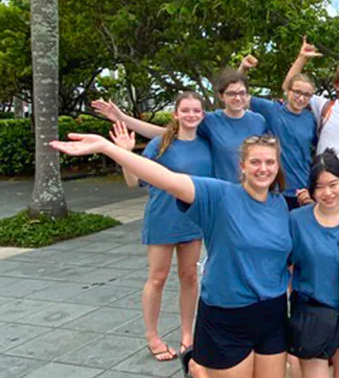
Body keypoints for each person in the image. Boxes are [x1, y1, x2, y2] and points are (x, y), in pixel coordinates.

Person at [51, 133, 293, 378]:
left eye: (270, 162)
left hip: (272, 313)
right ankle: (199, 368)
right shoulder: (218, 196)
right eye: (255, 162)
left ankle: (198, 367)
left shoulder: (279, 205)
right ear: (242, 166)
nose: (263, 168)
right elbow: (165, 178)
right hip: (228, 314)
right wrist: (107, 148)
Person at [110, 92, 210, 364]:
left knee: (190, 277)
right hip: (162, 218)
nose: (191, 115)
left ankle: (188, 334)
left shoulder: (206, 144)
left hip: (193, 220)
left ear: (202, 115)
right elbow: (134, 181)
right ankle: (152, 336)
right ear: (175, 114)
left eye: (196, 111)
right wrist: (124, 153)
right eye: (185, 110)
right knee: (158, 277)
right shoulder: (160, 144)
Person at [242, 39, 339, 204]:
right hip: (322, 180)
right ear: (337, 85)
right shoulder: (323, 105)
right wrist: (302, 58)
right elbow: (290, 87)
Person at [92, 70, 267, 182]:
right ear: (222, 96)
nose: (237, 98)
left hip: (253, 189)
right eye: (231, 93)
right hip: (223, 191)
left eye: (242, 93)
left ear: (247, 95)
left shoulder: (259, 121)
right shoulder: (210, 121)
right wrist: (122, 118)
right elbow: (167, 133)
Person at [288, 149, 339, 378]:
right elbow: (285, 267)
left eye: (333, 184)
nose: (327, 192)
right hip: (312, 314)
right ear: (311, 190)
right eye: (319, 186)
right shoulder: (296, 221)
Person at [238, 46, 317, 209]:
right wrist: (243, 69)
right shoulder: (272, 110)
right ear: (288, 91)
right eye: (297, 92)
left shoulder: (311, 118)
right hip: (274, 188)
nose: (301, 98)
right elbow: (238, 94)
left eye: (307, 95)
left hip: (302, 190)